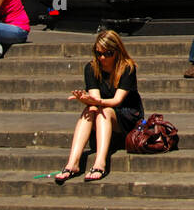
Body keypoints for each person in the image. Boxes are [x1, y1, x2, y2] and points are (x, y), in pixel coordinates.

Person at [55, 30, 144, 183]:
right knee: (90, 110)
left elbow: (117, 100)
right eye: (99, 53)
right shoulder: (91, 68)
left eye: (107, 53)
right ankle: (72, 163)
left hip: (127, 115)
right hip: (104, 112)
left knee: (104, 110)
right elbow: (95, 100)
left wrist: (96, 102)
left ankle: (100, 163)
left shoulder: (127, 67)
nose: (102, 58)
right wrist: (86, 100)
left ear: (117, 51)